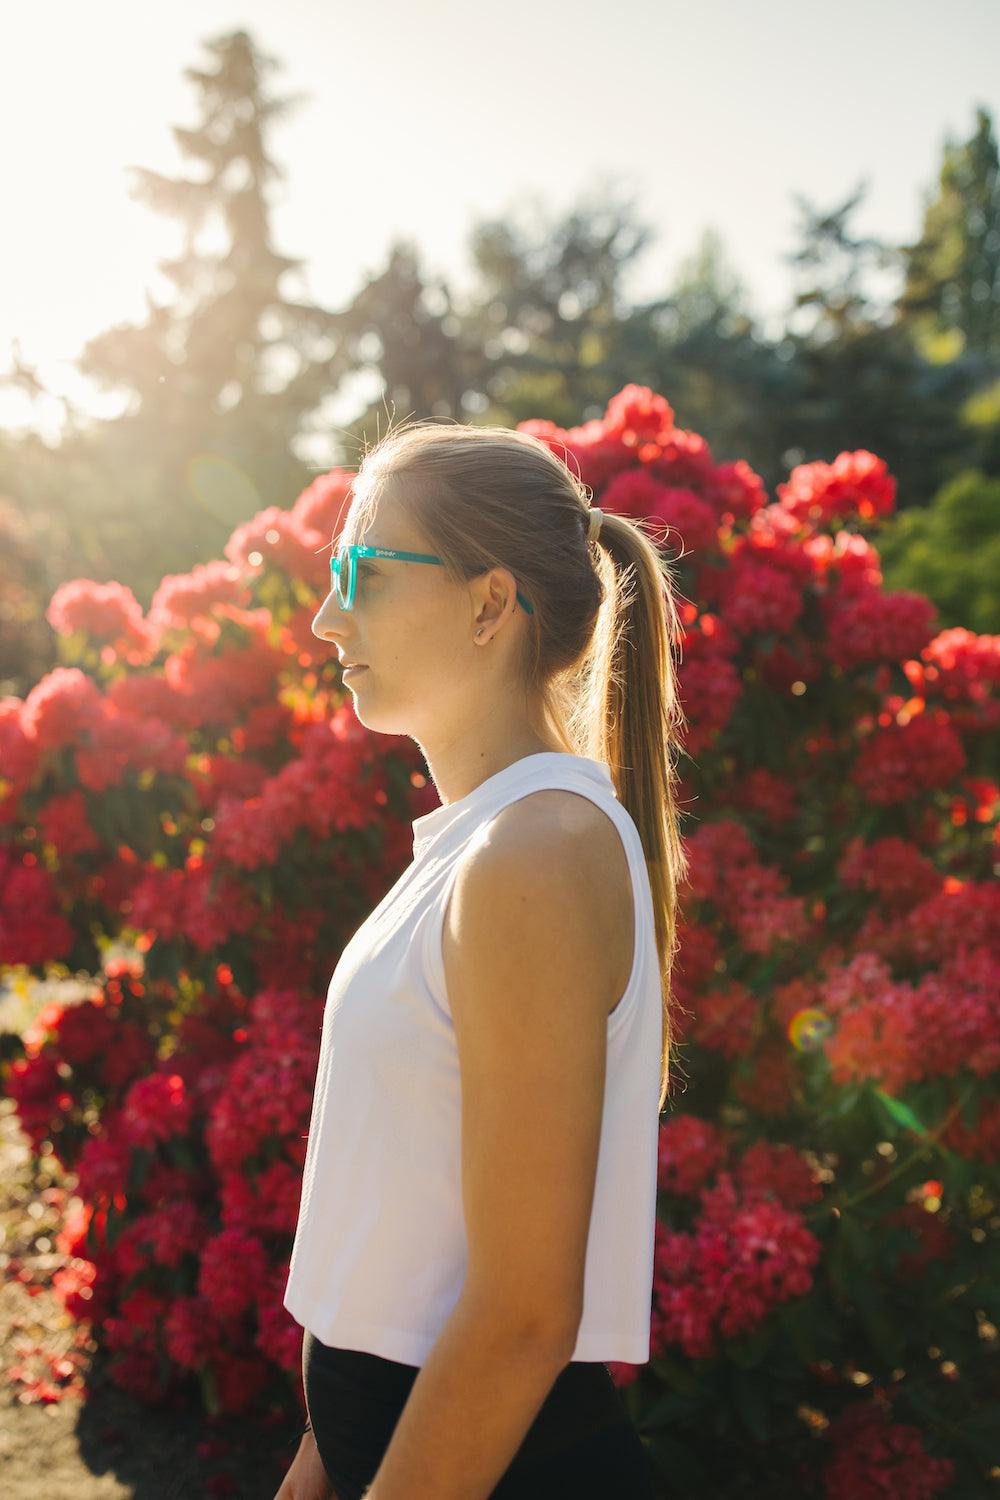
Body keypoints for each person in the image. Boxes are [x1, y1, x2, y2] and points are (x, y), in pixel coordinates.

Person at [275, 419, 689, 1500]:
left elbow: (518, 1319)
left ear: (490, 602)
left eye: (360, 571)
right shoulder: (486, 845)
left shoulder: (532, 858)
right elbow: (394, 1287)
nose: (326, 619)